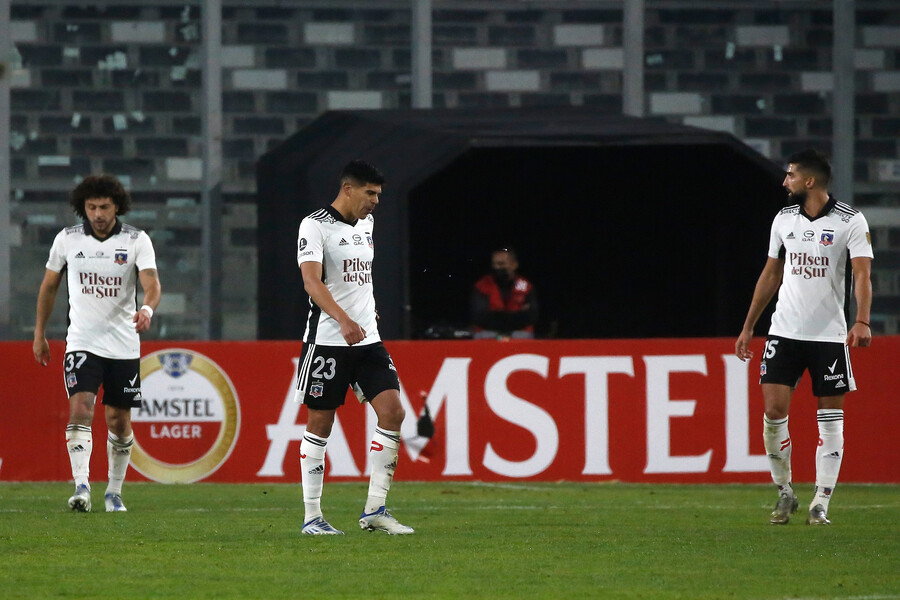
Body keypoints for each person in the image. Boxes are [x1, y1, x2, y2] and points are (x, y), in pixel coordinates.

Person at [735, 149, 873, 526]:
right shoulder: (783, 219)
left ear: (810, 181)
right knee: (773, 413)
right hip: (784, 331)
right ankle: (785, 493)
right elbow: (771, 274)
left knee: (830, 420)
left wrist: (862, 321)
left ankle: (821, 502)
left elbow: (862, 275)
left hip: (829, 336)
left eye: (791, 175)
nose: (785, 182)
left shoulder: (850, 221)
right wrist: (749, 325)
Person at [294, 159, 413, 535]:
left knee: (393, 413)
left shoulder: (367, 224)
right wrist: (343, 318)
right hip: (328, 341)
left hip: (368, 341)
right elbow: (312, 282)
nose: (376, 202)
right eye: (370, 193)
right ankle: (313, 516)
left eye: (378, 195)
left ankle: (375, 510)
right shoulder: (314, 225)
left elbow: (359, 277)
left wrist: (367, 309)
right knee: (320, 423)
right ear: (348, 189)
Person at [33, 174, 161, 513]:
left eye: (104, 207)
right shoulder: (68, 240)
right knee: (81, 408)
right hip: (82, 341)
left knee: (119, 421)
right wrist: (39, 333)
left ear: (116, 206)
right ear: (82, 208)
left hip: (123, 344)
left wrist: (147, 309)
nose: (98, 214)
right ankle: (82, 487)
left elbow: (152, 284)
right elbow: (49, 287)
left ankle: (114, 492)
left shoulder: (137, 240)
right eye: (91, 207)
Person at [470, 247, 538, 339]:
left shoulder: (526, 286)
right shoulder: (482, 285)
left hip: (519, 333)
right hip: (489, 332)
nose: (496, 267)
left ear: (514, 265)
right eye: (494, 264)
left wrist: (497, 315)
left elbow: (531, 316)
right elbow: (480, 317)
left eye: (501, 264)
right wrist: (517, 316)